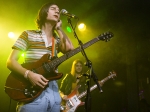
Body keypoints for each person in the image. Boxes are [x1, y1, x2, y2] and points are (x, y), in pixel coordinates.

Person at [6, 2, 74, 112]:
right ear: (44, 13)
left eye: (58, 10)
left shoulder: (57, 40)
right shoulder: (28, 34)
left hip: (54, 92)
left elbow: (70, 49)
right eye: (53, 8)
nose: (57, 11)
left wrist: (59, 29)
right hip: (33, 91)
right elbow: (10, 61)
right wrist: (29, 75)